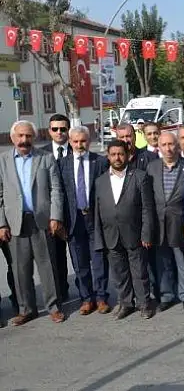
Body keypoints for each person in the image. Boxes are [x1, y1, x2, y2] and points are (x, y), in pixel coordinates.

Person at [0, 121, 66, 326]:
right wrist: (2, 224)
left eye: (28, 136)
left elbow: (56, 189)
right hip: (15, 222)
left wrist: (55, 217)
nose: (24, 140)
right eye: (20, 136)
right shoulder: (3, 161)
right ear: (12, 138)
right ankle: (26, 309)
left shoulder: (45, 158)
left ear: (34, 138)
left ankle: (54, 308)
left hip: (41, 220)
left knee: (47, 267)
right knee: (20, 269)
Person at [94, 140, 155, 320]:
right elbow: (97, 212)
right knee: (119, 273)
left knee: (139, 272)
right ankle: (126, 303)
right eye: (113, 154)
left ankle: (144, 304)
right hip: (111, 234)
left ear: (127, 155)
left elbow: (147, 208)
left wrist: (146, 233)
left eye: (121, 154)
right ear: (108, 156)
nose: (117, 158)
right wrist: (99, 238)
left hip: (134, 233)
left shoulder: (140, 176)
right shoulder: (100, 181)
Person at [59, 126, 111, 315]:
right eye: (76, 141)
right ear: (70, 142)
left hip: (95, 219)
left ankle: (101, 297)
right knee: (79, 263)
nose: (80, 145)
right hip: (74, 220)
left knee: (99, 261)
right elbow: (60, 193)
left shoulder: (101, 162)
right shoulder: (61, 164)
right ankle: (86, 298)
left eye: (83, 141)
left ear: (89, 141)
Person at [146, 133, 184, 312]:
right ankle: (166, 295)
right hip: (159, 222)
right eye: (164, 145)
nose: (168, 149)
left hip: (181, 221)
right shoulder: (152, 167)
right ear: (159, 147)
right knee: (163, 261)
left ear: (177, 145)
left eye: (171, 144)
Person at [41, 113, 72, 301]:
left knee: (79, 256)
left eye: (63, 129)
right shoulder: (41, 154)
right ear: (49, 131)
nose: (59, 132)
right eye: (55, 129)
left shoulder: (76, 148)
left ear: (68, 130)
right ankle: (61, 291)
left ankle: (88, 293)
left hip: (74, 212)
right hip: (52, 213)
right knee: (55, 255)